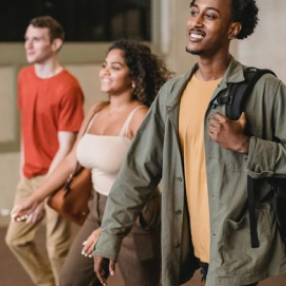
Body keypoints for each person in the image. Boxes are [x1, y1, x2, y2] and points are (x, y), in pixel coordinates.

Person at [92, 0, 286, 286]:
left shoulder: (265, 90)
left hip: (237, 249)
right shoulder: (173, 93)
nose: (196, 22)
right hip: (189, 244)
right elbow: (138, 170)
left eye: (210, 16)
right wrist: (110, 235)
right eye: (194, 12)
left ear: (233, 29)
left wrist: (244, 144)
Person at [12, 39, 172, 286]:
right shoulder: (97, 110)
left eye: (115, 67)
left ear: (135, 77)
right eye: (104, 65)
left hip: (135, 215)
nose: (105, 71)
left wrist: (112, 226)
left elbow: (151, 176)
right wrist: (36, 198)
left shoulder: (139, 117)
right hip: (97, 210)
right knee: (70, 281)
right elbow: (71, 161)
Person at [5, 16, 84, 286]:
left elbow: (65, 147)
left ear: (55, 44)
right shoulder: (24, 77)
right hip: (30, 175)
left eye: (36, 39)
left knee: (57, 250)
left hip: (58, 176)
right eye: (27, 38)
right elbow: (27, 128)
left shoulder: (68, 87)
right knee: (16, 239)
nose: (28, 45)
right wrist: (23, 171)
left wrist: (44, 193)